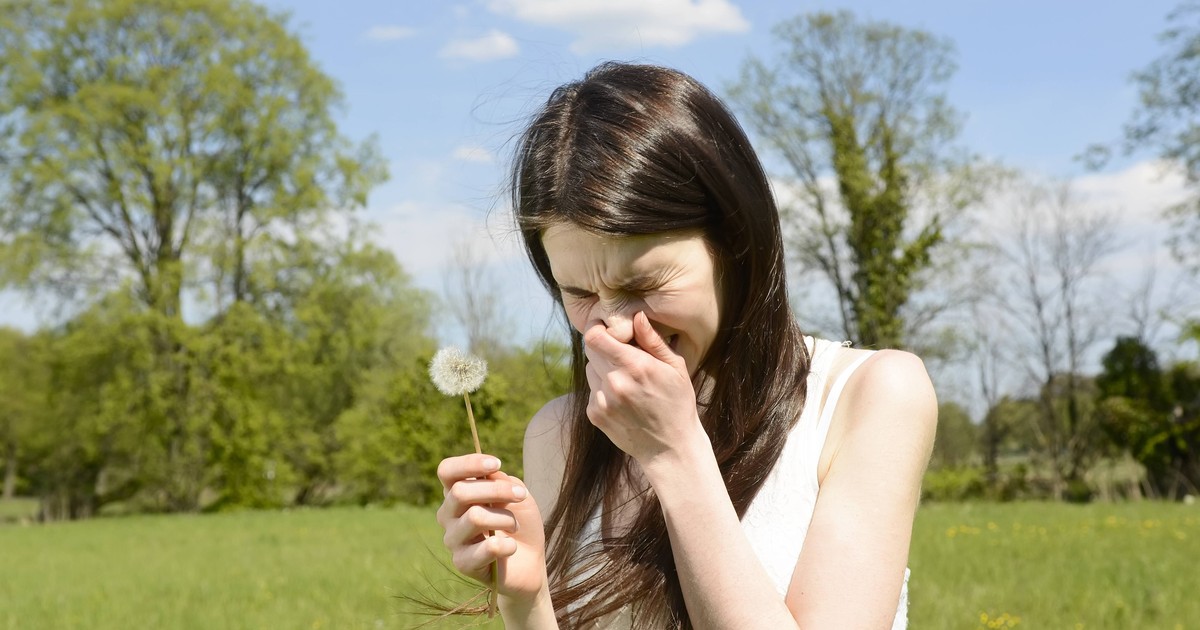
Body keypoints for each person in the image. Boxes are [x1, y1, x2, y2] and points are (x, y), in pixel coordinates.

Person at [434, 61, 937, 629]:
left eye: (645, 285)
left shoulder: (869, 396)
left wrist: (675, 454)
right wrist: (526, 600)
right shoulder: (560, 435)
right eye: (578, 292)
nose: (614, 327)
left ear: (733, 243)